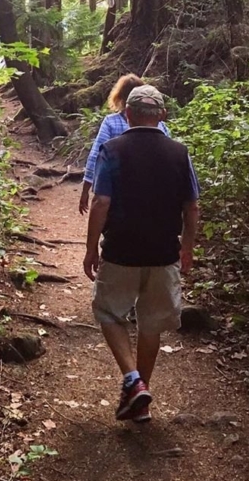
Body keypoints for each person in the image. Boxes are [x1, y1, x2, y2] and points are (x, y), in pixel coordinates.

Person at [83, 85, 199, 424]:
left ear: (128, 114)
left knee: (108, 312)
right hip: (164, 253)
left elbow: (101, 202)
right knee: (151, 324)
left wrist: (91, 248)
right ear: (162, 116)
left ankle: (133, 382)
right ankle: (140, 399)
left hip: (121, 251)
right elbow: (192, 206)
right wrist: (187, 246)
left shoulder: (113, 149)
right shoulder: (180, 153)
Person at [79, 74, 195, 216]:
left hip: (117, 190)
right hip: (154, 191)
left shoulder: (110, 122)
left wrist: (86, 190)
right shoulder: (161, 127)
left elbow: (96, 155)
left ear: (120, 97)